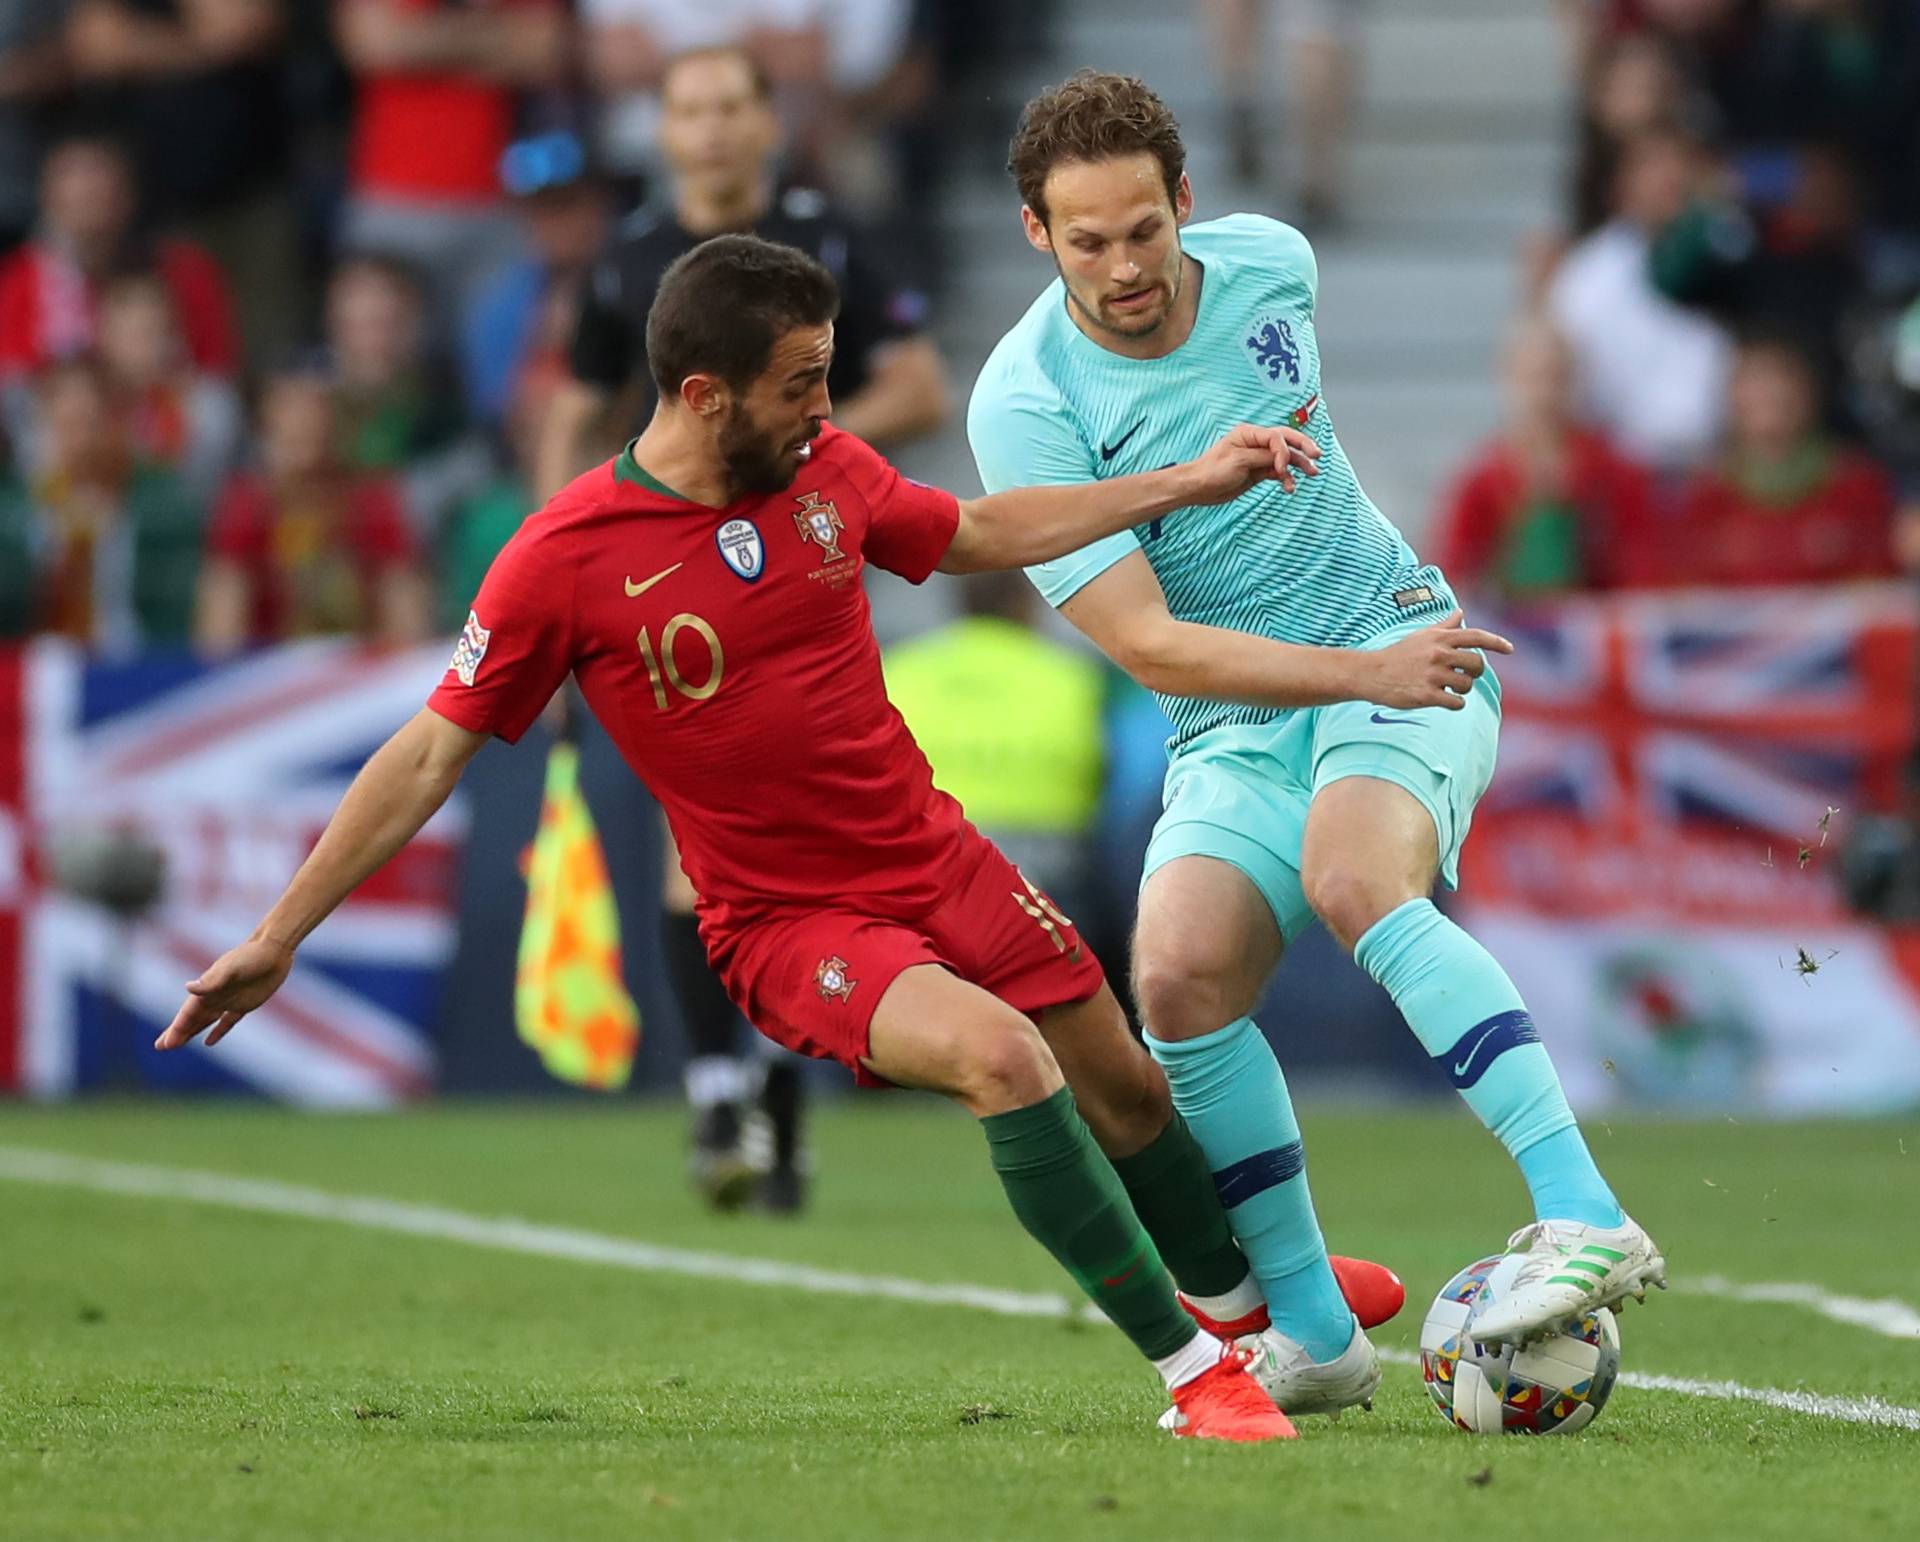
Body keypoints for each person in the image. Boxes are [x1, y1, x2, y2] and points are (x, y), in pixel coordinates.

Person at [155, 233, 1417, 1440]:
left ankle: (1258, 1311)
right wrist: (279, 937)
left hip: (933, 854)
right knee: (1003, 1062)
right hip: (786, 921)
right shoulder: (565, 557)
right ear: (705, 396)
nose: (827, 406)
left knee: (1128, 1081)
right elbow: (428, 751)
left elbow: (970, 533)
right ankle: (1194, 1372)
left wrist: (1187, 479)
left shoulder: (826, 473)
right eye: (802, 382)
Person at [967, 71, 1665, 1397]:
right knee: (1174, 979)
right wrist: (1356, 668)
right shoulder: (1025, 404)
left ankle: (1584, 1210)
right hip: (1243, 715)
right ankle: (1319, 1335)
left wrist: (1378, 665)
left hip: (1404, 648)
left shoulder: (1274, 266)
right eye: (1086, 240)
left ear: (1187, 204)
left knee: (1355, 878)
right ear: (1035, 235)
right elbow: (1147, 643)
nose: (1122, 268)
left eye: (1143, 231)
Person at [533, 42, 948, 1210]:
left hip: (812, 571)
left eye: (731, 106)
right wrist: (556, 546)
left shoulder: (838, 235)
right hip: (679, 584)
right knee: (701, 831)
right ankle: (728, 1089)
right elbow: (577, 409)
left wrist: (798, 447)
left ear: (770, 123)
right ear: (661, 132)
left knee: (811, 842)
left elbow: (920, 386)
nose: (711, 129)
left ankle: (767, 1085)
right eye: (689, 110)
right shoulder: (626, 260)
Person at [195, 360, 429, 649]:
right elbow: (220, 634)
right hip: (269, 673)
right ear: (266, 423)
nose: (304, 420)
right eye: (290, 408)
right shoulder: (246, 505)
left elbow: (407, 620)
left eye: (315, 408)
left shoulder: (374, 501)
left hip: (363, 674)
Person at [1432, 315, 1656, 599]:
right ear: (1506, 378)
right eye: (1531, 378)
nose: (1544, 393)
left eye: (1556, 377)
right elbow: (1453, 574)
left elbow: (1640, 573)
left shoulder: (1613, 474)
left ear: (1576, 380)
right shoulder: (1479, 481)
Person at [1646, 336, 1896, 589]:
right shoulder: (1702, 495)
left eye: (1781, 378)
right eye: (1754, 380)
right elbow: (1682, 593)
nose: (1769, 392)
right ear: (1731, 395)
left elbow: (1876, 582)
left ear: (1809, 390)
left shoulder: (1856, 484)